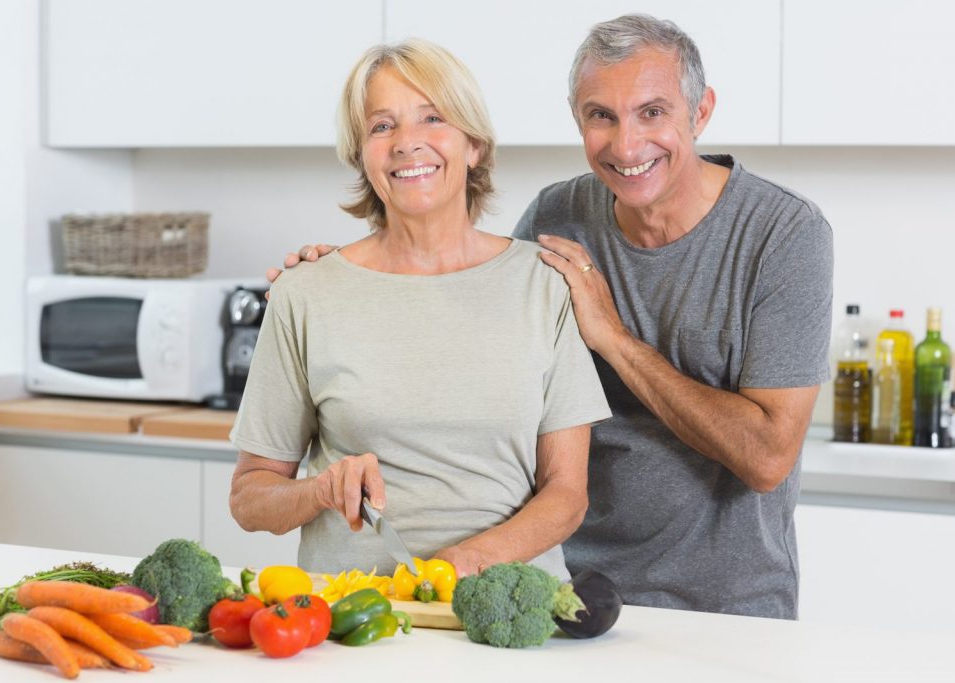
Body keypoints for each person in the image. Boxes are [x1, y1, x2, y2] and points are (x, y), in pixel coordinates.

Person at [275, 14, 833, 619]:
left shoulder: (784, 234)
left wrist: (615, 341)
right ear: (578, 120)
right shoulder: (558, 216)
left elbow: (768, 458)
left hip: (722, 600)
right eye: (602, 116)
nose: (626, 145)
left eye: (652, 112)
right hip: (561, 586)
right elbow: (462, 325)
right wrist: (339, 280)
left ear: (700, 113)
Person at [230, 38, 611, 580]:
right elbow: (250, 498)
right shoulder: (307, 292)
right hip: (355, 621)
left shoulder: (544, 283)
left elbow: (567, 494)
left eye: (432, 118)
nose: (407, 143)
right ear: (362, 154)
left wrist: (459, 567)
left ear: (473, 145)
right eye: (382, 126)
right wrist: (320, 490)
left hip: (505, 611)